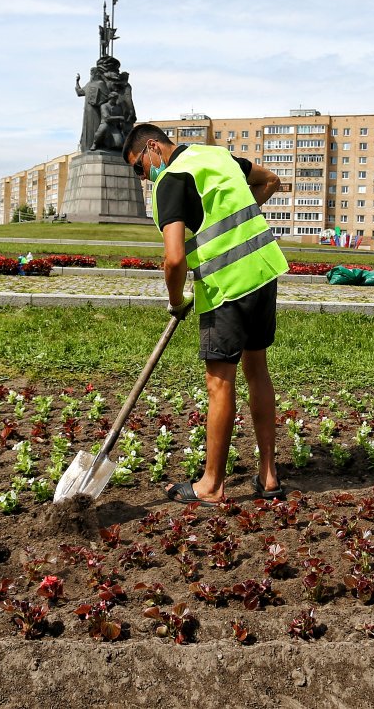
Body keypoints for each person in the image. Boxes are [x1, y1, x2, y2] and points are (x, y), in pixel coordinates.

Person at [123, 123, 289, 503]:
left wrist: (176, 300)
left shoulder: (171, 181)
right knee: (257, 370)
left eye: (139, 167)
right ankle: (268, 478)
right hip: (263, 272)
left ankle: (211, 485)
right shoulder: (214, 156)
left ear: (152, 147)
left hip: (226, 286)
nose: (143, 177)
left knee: (219, 383)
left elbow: (174, 258)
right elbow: (270, 181)